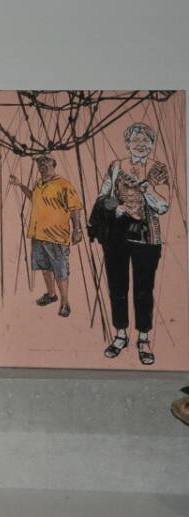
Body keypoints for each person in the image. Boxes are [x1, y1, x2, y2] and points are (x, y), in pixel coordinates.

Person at [95, 122, 170, 365]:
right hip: (117, 237)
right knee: (117, 288)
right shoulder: (116, 167)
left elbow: (163, 206)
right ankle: (120, 335)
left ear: (152, 144)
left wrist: (147, 189)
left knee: (143, 290)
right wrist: (118, 208)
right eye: (135, 140)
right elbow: (102, 197)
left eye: (145, 140)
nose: (140, 144)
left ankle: (144, 339)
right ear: (127, 144)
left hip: (147, 238)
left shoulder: (159, 169)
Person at [7, 155, 83, 317]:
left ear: (53, 164)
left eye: (46, 162)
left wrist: (77, 229)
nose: (42, 165)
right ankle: (51, 295)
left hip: (57, 236)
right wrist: (20, 185)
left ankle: (65, 302)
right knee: (44, 268)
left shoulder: (64, 184)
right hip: (38, 234)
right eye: (39, 162)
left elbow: (75, 208)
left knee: (60, 270)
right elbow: (33, 198)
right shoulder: (38, 183)